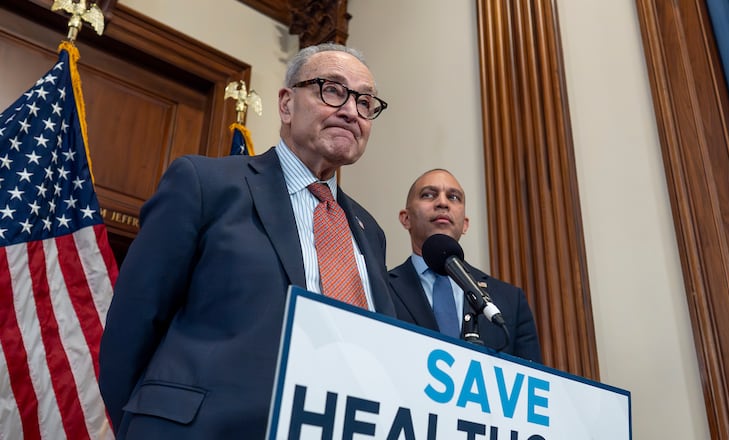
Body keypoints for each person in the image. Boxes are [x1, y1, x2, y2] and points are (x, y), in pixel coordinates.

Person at [98, 43, 394, 439]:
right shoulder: (205, 184)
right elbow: (132, 326)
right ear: (287, 104)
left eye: (365, 101)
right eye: (332, 90)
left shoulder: (369, 230)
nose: (350, 110)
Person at [388, 169, 542, 362]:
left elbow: (531, 379)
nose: (442, 203)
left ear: (465, 224)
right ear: (406, 218)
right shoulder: (380, 287)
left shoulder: (510, 300)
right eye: (429, 195)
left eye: (453, 197)